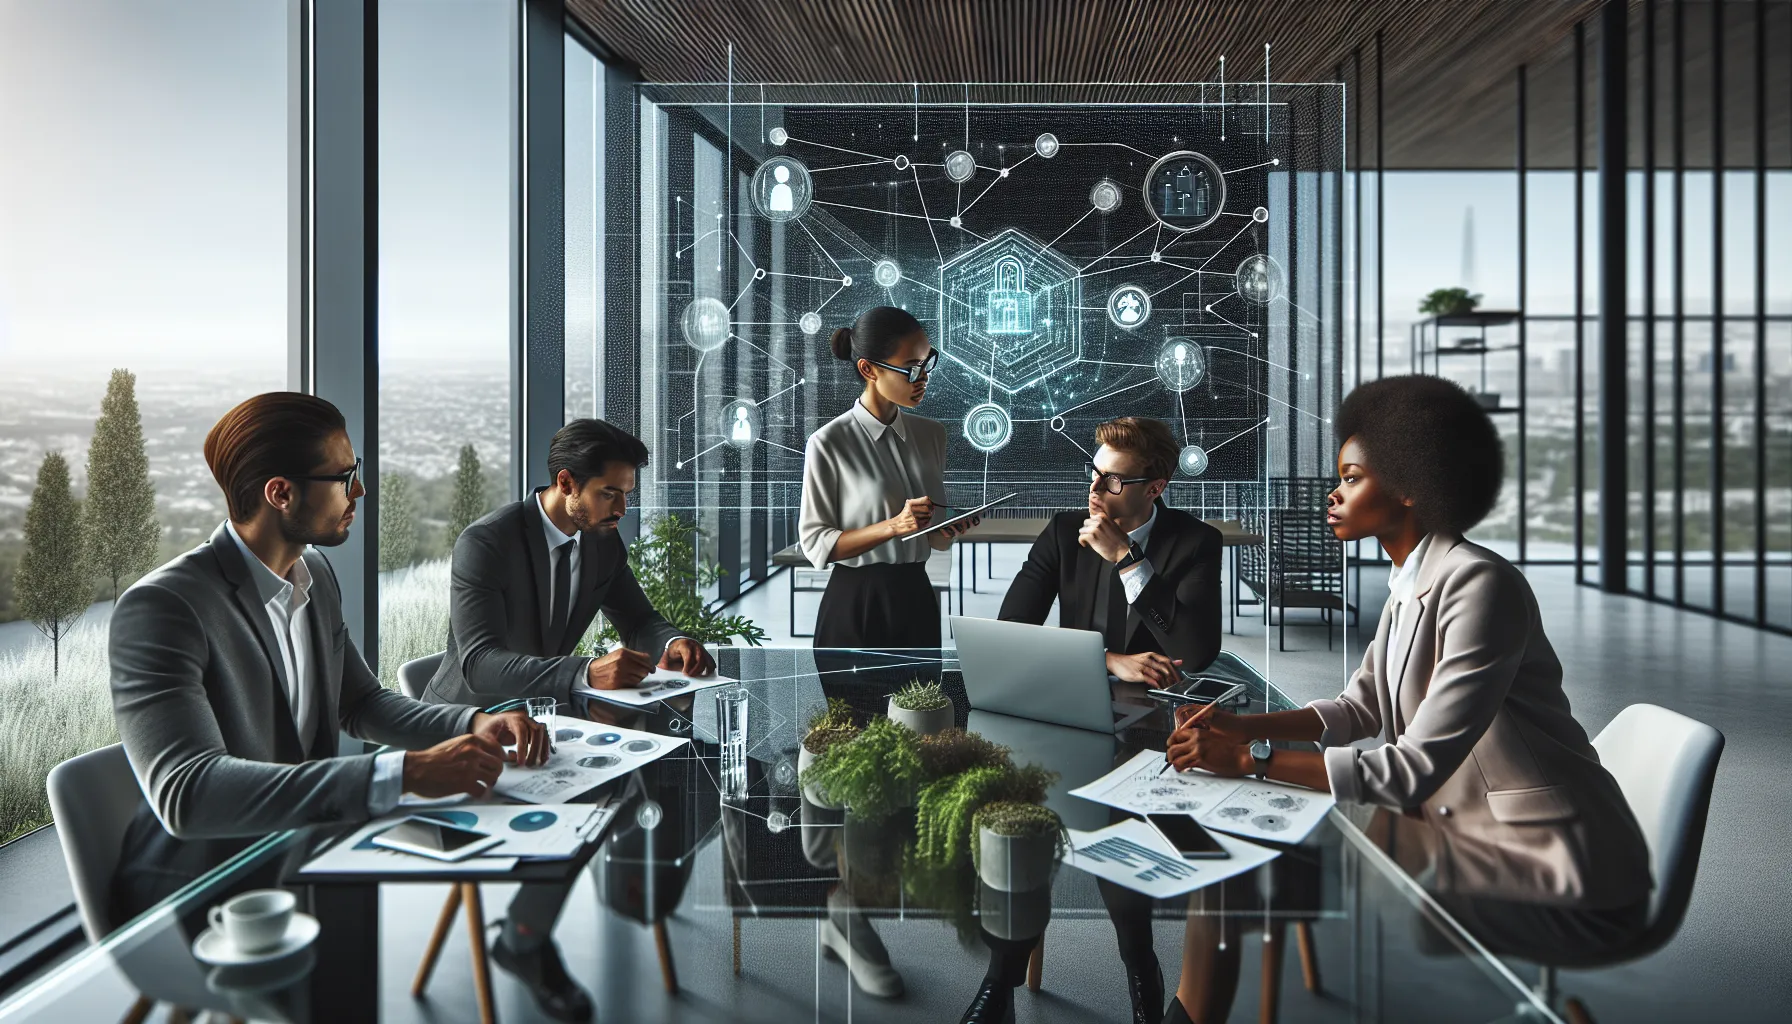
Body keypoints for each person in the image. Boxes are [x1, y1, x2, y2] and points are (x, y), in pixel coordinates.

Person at [1163, 375, 1651, 1023]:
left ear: (1412, 485)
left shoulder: (1480, 588)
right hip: (1457, 834)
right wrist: (1237, 722)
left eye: (1354, 477)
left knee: (1253, 865)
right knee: (1231, 865)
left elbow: (1412, 769)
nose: (1333, 494)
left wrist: (1249, 755)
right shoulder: (1413, 581)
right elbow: (1358, 709)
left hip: (1553, 870)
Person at [107, 393, 548, 927]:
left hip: (304, 848)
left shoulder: (314, 576)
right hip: (202, 891)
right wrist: (401, 772)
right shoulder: (163, 606)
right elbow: (190, 792)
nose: (359, 489)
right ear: (281, 493)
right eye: (343, 476)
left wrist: (474, 722)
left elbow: (360, 702)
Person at [423, 416, 712, 1022]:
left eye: (627, 495)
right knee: (601, 798)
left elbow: (639, 617)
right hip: (467, 726)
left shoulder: (602, 539)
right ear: (566, 483)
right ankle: (524, 941)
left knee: (693, 777)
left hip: (550, 722)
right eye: (611, 494)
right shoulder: (488, 542)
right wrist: (584, 674)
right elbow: (481, 664)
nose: (621, 509)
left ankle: (632, 892)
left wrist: (673, 640)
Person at [798, 306, 977, 649]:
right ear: (868, 369)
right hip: (856, 603)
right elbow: (816, 543)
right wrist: (893, 526)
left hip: (918, 598)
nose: (923, 378)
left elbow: (930, 539)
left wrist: (945, 531)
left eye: (927, 363)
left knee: (924, 702)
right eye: (911, 369)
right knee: (854, 704)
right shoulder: (828, 443)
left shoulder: (932, 435)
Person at [998, 416, 1223, 685]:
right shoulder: (1064, 532)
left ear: (1154, 488)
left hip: (1155, 703)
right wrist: (1107, 660)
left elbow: (1196, 655)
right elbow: (1010, 630)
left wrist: (1128, 560)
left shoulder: (1197, 541)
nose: (1094, 489)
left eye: (1113, 480)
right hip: (1072, 688)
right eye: (1095, 472)